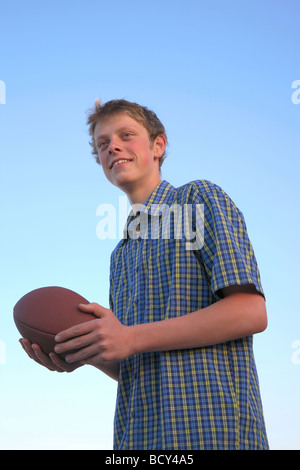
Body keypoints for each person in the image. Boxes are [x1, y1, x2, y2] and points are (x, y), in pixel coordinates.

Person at [20, 99, 269, 450]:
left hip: (211, 431)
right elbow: (133, 365)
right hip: (138, 438)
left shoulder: (195, 200)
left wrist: (130, 338)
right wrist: (92, 353)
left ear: (158, 145)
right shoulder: (120, 256)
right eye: (102, 144)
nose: (113, 147)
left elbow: (250, 312)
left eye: (126, 135)